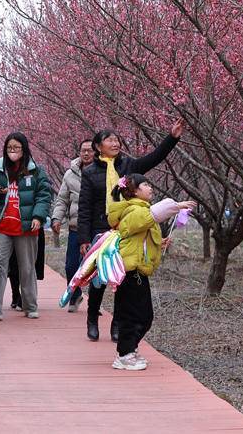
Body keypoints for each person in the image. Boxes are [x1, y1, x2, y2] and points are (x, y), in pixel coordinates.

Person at [78, 120, 184, 342]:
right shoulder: (89, 173)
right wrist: (84, 238)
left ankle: (118, 324)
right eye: (110, 140)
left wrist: (172, 138)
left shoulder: (127, 166)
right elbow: (85, 207)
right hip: (101, 228)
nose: (115, 143)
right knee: (98, 280)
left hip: (126, 230)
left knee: (121, 280)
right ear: (98, 146)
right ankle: (92, 318)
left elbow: (154, 158)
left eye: (117, 140)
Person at [107, 174, 194, 370]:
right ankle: (124, 354)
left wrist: (159, 243)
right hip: (132, 271)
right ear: (134, 190)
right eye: (145, 184)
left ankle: (129, 349)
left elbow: (140, 236)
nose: (150, 187)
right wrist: (176, 206)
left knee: (139, 314)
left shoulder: (138, 210)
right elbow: (150, 216)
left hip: (138, 269)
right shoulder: (134, 210)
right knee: (135, 315)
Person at [0, 132, 53, 320]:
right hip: (2, 226)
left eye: (17, 148)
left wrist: (38, 216)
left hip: (26, 227)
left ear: (24, 149)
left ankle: (30, 305)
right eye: (10, 148)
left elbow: (44, 195)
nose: (13, 151)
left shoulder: (35, 170)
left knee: (27, 267)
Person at [51, 139, 96, 312]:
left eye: (90, 151)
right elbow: (62, 199)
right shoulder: (70, 174)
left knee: (94, 267)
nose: (86, 154)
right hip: (76, 226)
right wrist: (56, 218)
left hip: (96, 227)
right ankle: (76, 294)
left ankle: (94, 303)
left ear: (96, 152)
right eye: (83, 150)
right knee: (71, 265)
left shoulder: (104, 171)